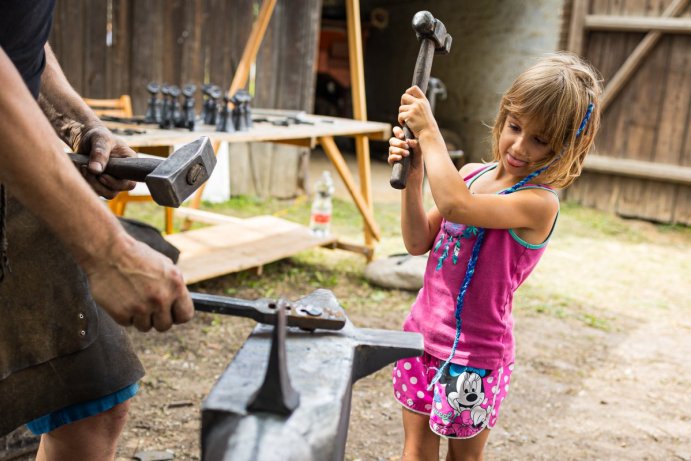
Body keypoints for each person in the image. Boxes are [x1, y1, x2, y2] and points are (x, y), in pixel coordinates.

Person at [0, 1, 194, 460]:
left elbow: (19, 40)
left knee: (89, 402)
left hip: (14, 173)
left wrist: (78, 123)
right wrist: (109, 253)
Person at [387, 52, 602, 460]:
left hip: (475, 359)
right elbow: (417, 241)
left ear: (567, 147)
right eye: (515, 127)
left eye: (540, 140)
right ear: (504, 115)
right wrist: (414, 179)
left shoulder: (538, 204)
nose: (520, 146)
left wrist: (431, 133)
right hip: (421, 337)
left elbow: (457, 207)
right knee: (415, 451)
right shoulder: (469, 175)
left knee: (463, 458)